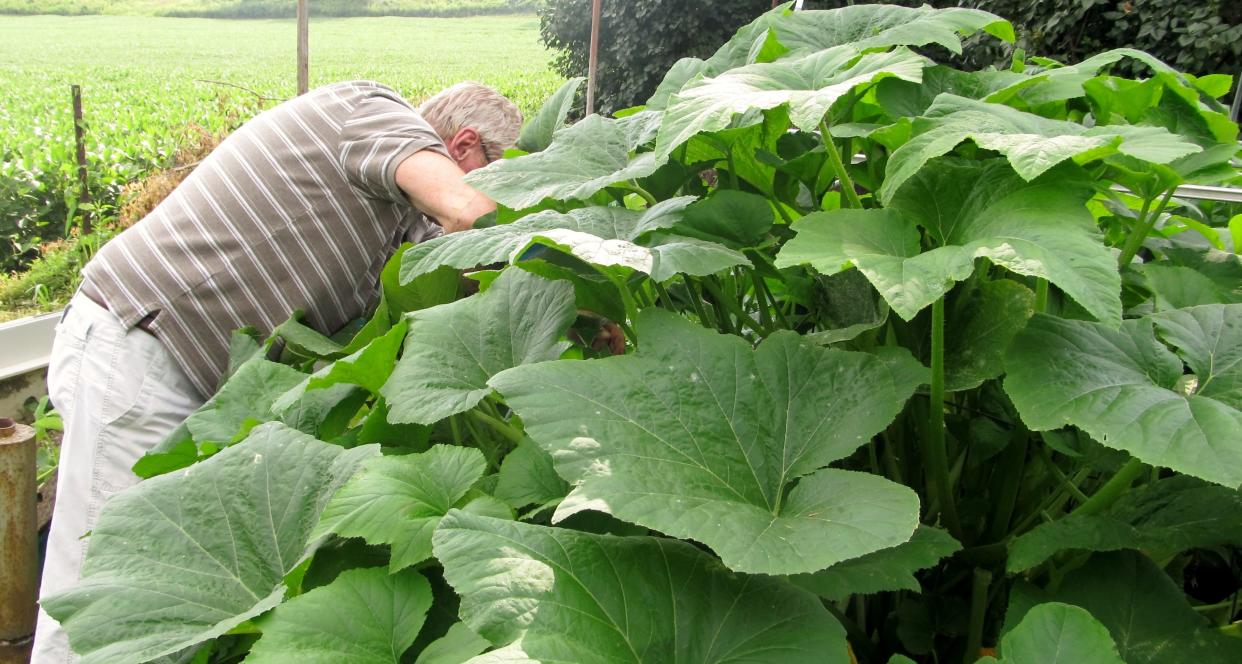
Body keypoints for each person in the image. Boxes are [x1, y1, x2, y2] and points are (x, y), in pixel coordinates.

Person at [32, 80, 522, 663]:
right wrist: (570, 260)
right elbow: (473, 212)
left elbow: (460, 285)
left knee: (172, 589)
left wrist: (579, 315)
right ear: (464, 148)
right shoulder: (371, 116)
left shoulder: (401, 216)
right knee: (109, 598)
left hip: (197, 376)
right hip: (145, 347)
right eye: (503, 174)